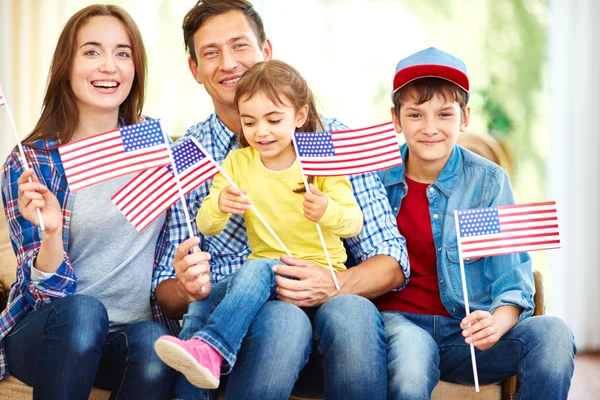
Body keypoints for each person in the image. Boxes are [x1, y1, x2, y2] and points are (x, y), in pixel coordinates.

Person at [162, 1, 409, 399]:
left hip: (328, 304)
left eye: (239, 45)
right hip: (238, 311)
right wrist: (188, 287)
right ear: (195, 70)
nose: (228, 63)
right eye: (211, 52)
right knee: (280, 320)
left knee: (352, 311)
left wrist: (335, 283)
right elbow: (164, 288)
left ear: (266, 51)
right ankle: (207, 349)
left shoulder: (328, 146)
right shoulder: (192, 155)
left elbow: (392, 257)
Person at [0, 5, 210, 399]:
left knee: (153, 343)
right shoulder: (32, 162)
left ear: (136, 67)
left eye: (122, 53)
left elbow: (171, 272)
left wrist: (187, 282)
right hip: (50, 330)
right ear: (67, 65)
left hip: (127, 339)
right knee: (84, 313)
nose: (109, 66)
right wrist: (51, 235)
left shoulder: (155, 148)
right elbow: (44, 296)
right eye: (92, 51)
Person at [374, 47, 577, 399]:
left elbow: (511, 279)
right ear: (396, 119)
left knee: (553, 334)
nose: (430, 128)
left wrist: (495, 323)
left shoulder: (487, 182)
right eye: (416, 115)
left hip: (466, 335)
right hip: (400, 328)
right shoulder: (375, 179)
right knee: (410, 363)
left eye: (444, 114)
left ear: (464, 118)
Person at [155, 59, 364, 389]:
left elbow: (352, 223)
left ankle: (214, 346)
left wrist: (326, 210)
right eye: (249, 122)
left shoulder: (318, 159)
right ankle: (195, 374)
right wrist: (221, 206)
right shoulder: (238, 161)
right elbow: (207, 226)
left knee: (258, 268)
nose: (261, 131)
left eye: (273, 119)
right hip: (261, 276)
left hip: (312, 272)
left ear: (300, 115)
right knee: (199, 306)